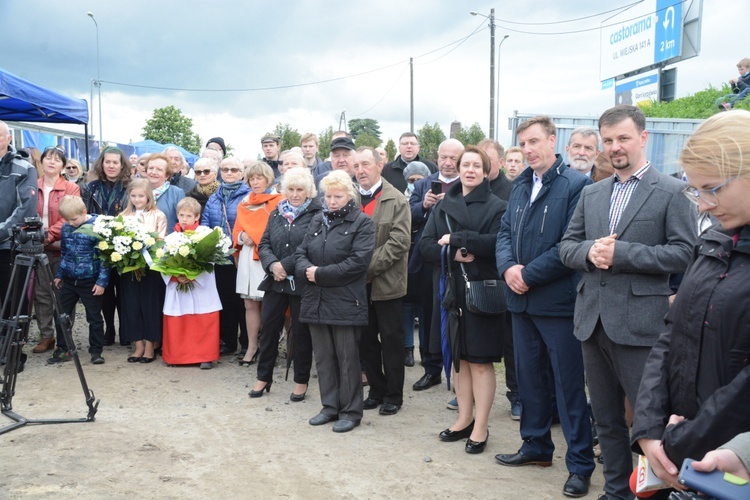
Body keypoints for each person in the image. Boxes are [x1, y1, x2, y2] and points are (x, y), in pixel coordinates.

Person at [559, 105, 696, 500]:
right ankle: (615, 491)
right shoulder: (592, 192)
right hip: (592, 321)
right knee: (605, 419)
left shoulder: (671, 191)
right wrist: (590, 253)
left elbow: (684, 254)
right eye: (608, 141)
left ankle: (656, 493)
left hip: (641, 324)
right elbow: (566, 247)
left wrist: (623, 254)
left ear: (643, 137)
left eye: (622, 138)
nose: (615, 147)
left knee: (649, 421)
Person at [631, 110, 750, 490]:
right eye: (694, 189)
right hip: (681, 451)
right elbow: (672, 334)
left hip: (723, 460)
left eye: (711, 188)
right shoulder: (715, 240)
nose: (701, 204)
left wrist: (675, 444)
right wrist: (648, 428)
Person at [495, 115, 595, 498]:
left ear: (553, 141)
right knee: (530, 380)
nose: (529, 149)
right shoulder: (521, 186)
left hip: (557, 304)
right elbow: (505, 232)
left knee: (568, 387)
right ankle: (536, 446)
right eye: (523, 143)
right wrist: (507, 269)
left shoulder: (576, 185)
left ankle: (581, 465)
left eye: (535, 141)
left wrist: (528, 274)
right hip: (520, 302)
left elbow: (570, 244)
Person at [421, 145, 507, 454]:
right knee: (459, 360)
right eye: (465, 165)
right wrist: (457, 253)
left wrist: (458, 241)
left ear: (486, 172)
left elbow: (498, 244)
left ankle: (481, 426)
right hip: (451, 290)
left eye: (476, 166)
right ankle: (464, 418)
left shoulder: (498, 206)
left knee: (481, 363)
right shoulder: (445, 205)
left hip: (483, 292)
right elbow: (425, 246)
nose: (469, 170)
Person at [295, 169, 375, 433]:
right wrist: (308, 269)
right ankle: (329, 406)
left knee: (347, 358)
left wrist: (319, 274)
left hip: (345, 300)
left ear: (349, 195)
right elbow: (301, 252)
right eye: (328, 196)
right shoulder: (318, 220)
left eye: (338, 196)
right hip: (315, 298)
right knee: (324, 357)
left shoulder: (362, 223)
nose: (332, 201)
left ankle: (351, 411)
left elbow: (358, 263)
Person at [249, 168, 322, 400]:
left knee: (301, 334)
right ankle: (264, 376)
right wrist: (272, 266)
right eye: (290, 189)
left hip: (301, 283)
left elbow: (310, 247)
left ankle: (301, 381)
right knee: (269, 330)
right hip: (275, 282)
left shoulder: (316, 214)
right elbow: (264, 244)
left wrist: (285, 266)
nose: (295, 194)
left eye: (300, 189)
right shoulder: (277, 213)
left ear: (308, 191)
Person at [354, 147, 411, 416]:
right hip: (357, 286)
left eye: (365, 164)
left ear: (380, 166)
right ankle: (376, 389)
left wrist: (365, 267)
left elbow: (399, 242)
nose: (360, 170)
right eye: (356, 166)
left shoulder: (396, 199)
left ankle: (394, 395)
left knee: (391, 340)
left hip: (387, 284)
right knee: (365, 340)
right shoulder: (350, 198)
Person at [409, 138, 464, 391]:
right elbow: (406, 215)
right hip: (426, 260)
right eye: (444, 157)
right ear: (437, 156)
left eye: (454, 158)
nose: (449, 163)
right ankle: (431, 370)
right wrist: (424, 205)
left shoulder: (467, 183)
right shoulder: (422, 184)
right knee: (428, 317)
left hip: (458, 261)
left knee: (457, 317)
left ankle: (460, 373)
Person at [31, 146, 81, 354]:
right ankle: (46, 335)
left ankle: (64, 336)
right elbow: (25, 210)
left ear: (62, 165)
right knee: (40, 294)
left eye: (56, 159)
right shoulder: (32, 185)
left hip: (62, 248)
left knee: (63, 294)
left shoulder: (70, 188)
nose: (51, 162)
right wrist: (34, 235)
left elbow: (70, 216)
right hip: (35, 247)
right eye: (47, 158)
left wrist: (48, 235)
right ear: (41, 162)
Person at [47, 196, 109, 365]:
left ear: (84, 212)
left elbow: (105, 258)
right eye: (67, 220)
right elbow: (65, 254)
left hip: (90, 281)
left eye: (74, 219)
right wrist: (59, 275)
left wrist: (101, 282)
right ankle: (63, 348)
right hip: (69, 280)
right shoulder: (66, 228)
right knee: (60, 314)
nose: (71, 223)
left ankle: (96, 351)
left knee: (94, 317)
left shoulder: (97, 228)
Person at [161, 197, 221, 370]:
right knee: (178, 318)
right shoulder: (170, 238)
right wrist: (175, 276)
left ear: (197, 217)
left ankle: (205, 356)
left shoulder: (205, 235)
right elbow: (163, 262)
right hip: (178, 285)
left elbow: (211, 260)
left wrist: (193, 275)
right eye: (181, 215)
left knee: (203, 318)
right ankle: (177, 356)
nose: (184, 219)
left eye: (189, 215)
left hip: (201, 286)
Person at [232, 160, 282, 366]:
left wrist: (256, 235)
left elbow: (280, 231)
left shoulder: (279, 201)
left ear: (268, 178)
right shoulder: (244, 203)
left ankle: (271, 347)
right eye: (251, 178)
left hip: (269, 257)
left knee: (272, 305)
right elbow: (236, 230)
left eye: (259, 177)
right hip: (248, 256)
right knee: (250, 304)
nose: (255, 182)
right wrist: (243, 236)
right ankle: (252, 346)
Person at [80, 146, 131, 346]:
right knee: (106, 292)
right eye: (107, 162)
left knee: (124, 291)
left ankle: (126, 330)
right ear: (102, 164)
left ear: (121, 165)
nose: (111, 166)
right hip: (99, 246)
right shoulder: (90, 188)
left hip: (124, 245)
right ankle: (109, 329)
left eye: (115, 162)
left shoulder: (130, 187)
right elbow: (85, 215)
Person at [202, 157, 250, 357]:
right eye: (225, 169)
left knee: (243, 302)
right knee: (225, 300)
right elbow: (205, 222)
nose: (229, 173)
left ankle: (247, 343)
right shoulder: (215, 197)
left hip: (240, 255)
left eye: (234, 169)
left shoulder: (247, 196)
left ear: (241, 173)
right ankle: (228, 341)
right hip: (220, 258)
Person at [118, 179, 167, 363]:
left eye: (141, 196)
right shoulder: (123, 216)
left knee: (150, 305)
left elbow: (160, 239)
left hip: (150, 267)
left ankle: (149, 345)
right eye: (133, 196)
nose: (137, 200)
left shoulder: (158, 215)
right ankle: (137, 345)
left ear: (149, 196)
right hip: (129, 266)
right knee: (132, 305)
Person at [0, 121, 38, 318]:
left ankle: (15, 346)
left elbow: (26, 207)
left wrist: (2, 232)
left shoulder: (24, 167)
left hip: (12, 246)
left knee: (12, 299)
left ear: (8, 138)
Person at [401, 160, 431, 367]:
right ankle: (407, 348)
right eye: (411, 180)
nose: (415, 183)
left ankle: (426, 350)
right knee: (406, 306)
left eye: (419, 180)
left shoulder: (433, 197)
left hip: (424, 259)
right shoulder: (399, 198)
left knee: (424, 307)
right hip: (404, 258)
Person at [145, 153, 185, 234]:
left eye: (159, 169)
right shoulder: (137, 190)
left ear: (167, 175)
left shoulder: (177, 193)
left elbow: (183, 221)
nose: (153, 172)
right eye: (151, 168)